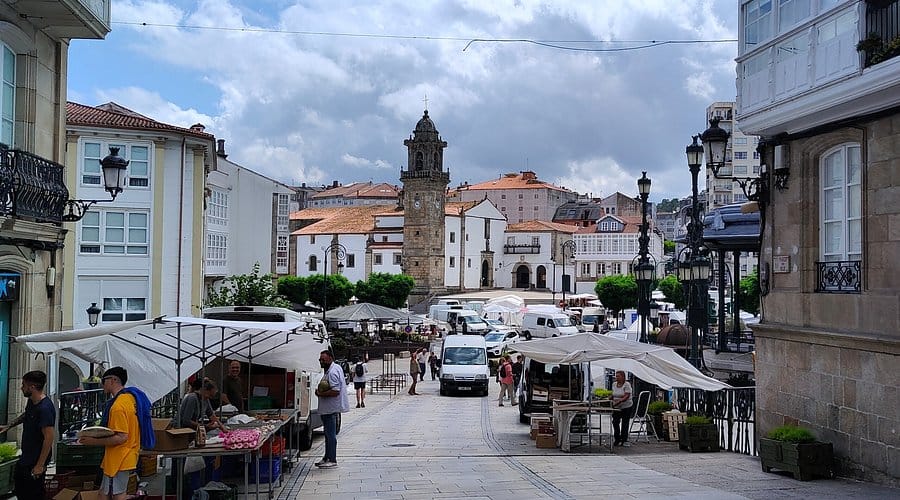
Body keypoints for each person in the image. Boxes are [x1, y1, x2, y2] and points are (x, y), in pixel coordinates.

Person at [77, 367, 140, 500]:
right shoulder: (129, 399)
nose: (102, 384)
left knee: (117, 496)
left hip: (120, 457)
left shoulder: (118, 407)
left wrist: (93, 441)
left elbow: (121, 437)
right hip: (124, 455)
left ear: (113, 380)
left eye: (103, 380)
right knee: (105, 494)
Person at [0, 371, 56, 500]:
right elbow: (26, 415)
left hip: (35, 460)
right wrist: (9, 426)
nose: (21, 388)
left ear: (32, 387)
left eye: (23, 385)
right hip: (26, 457)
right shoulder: (32, 402)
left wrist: (40, 465)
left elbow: (49, 437)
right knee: (20, 489)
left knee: (33, 494)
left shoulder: (45, 408)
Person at [315, 350, 349, 468]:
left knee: (330, 435)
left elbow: (335, 391)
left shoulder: (333, 372)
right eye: (320, 359)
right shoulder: (334, 368)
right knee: (328, 434)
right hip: (328, 408)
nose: (321, 362)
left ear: (330, 358)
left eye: (323, 359)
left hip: (330, 409)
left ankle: (332, 459)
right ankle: (326, 457)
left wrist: (320, 394)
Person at [611, 370, 634, 447]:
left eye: (618, 376)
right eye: (616, 376)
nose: (616, 378)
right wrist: (608, 399)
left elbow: (626, 396)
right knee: (615, 422)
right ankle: (617, 438)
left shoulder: (627, 384)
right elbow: (613, 394)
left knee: (625, 423)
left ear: (623, 377)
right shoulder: (614, 384)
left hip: (626, 406)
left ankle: (624, 439)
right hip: (616, 407)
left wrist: (619, 401)